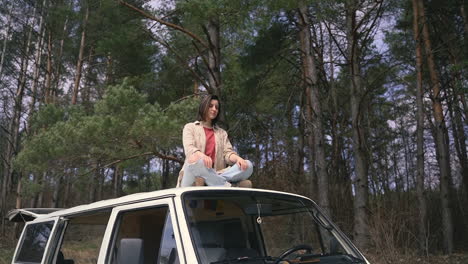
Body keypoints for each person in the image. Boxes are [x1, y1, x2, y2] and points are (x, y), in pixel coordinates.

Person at [177, 94, 253, 187]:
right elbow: (189, 149)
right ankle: (224, 185)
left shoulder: (222, 133)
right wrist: (202, 156)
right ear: (204, 106)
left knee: (248, 165)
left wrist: (238, 159)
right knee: (198, 162)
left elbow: (228, 153)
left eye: (216, 107)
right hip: (192, 174)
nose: (214, 109)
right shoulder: (190, 127)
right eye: (210, 106)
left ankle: (217, 181)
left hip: (216, 174)